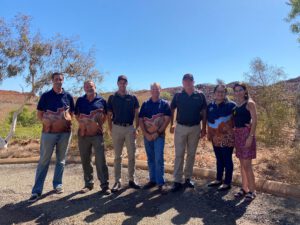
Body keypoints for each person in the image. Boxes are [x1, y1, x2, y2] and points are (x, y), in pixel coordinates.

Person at [29, 72, 74, 202]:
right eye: (56, 79)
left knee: (61, 160)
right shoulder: (45, 96)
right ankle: (36, 191)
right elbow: (39, 114)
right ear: (52, 81)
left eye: (60, 79)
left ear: (63, 80)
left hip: (65, 133)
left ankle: (58, 185)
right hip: (48, 134)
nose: (58, 81)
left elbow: (71, 113)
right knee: (44, 161)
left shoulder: (68, 96)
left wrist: (66, 119)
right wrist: (48, 123)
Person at [170, 73, 207, 192]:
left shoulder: (200, 95)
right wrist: (172, 123)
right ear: (182, 82)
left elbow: (205, 112)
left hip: (195, 128)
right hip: (180, 127)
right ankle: (177, 180)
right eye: (185, 80)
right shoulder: (178, 95)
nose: (187, 82)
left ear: (193, 82)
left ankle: (187, 178)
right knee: (179, 154)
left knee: (191, 154)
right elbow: (172, 109)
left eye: (190, 80)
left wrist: (204, 129)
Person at [75, 80, 110, 195]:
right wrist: (86, 125)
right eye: (86, 86)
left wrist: (96, 126)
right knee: (85, 160)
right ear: (84, 88)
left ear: (95, 87)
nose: (89, 88)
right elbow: (76, 115)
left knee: (100, 160)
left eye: (91, 86)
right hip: (83, 135)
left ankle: (104, 185)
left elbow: (105, 116)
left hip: (97, 135)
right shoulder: (80, 101)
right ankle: (88, 184)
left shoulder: (102, 101)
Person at [107, 75, 141, 192]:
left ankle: (132, 179)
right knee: (117, 157)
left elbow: (137, 114)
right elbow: (109, 114)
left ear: (127, 84)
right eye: (120, 82)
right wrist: (110, 128)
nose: (122, 84)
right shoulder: (112, 97)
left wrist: (137, 128)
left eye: (124, 82)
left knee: (132, 155)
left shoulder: (132, 98)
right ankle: (117, 181)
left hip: (129, 128)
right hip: (117, 127)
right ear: (117, 84)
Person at [139, 83, 171, 194]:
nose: (154, 91)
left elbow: (167, 120)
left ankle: (160, 183)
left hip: (159, 136)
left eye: (156, 89)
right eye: (153, 89)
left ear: (160, 90)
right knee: (150, 158)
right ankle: (152, 180)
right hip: (147, 136)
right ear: (150, 90)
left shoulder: (164, 104)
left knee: (158, 159)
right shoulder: (145, 104)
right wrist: (145, 134)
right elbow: (140, 120)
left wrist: (157, 132)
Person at [207, 84, 236, 191]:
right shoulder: (210, 106)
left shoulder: (231, 105)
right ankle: (218, 179)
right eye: (218, 92)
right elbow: (208, 121)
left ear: (225, 94)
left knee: (227, 159)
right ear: (214, 94)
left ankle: (227, 182)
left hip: (227, 138)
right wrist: (209, 133)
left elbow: (238, 120)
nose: (220, 93)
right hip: (215, 138)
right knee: (219, 159)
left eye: (222, 92)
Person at [233, 82, 257, 201]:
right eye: (236, 91)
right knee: (242, 164)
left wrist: (250, 136)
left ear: (245, 90)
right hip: (238, 135)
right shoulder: (237, 105)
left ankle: (252, 191)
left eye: (240, 90)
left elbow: (255, 120)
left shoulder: (250, 103)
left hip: (247, 135)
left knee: (247, 165)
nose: (238, 92)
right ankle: (244, 188)